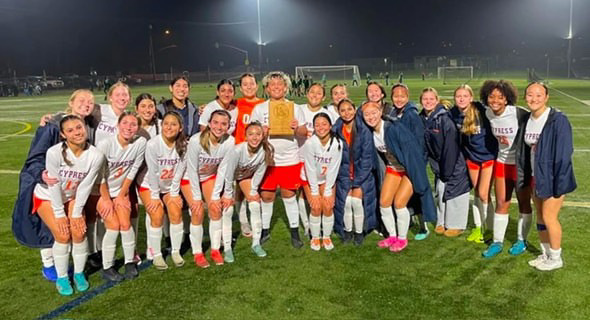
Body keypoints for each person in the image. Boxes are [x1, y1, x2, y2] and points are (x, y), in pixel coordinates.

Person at [12, 90, 98, 283]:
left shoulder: (89, 125)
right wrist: (42, 174)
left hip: (71, 187)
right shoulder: (53, 126)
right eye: (82, 100)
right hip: (47, 186)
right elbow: (35, 157)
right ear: (71, 102)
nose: (86, 104)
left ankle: (73, 267)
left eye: (90, 102)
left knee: (75, 228)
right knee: (52, 227)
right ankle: (49, 265)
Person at [32, 115, 104, 295]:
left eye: (79, 127)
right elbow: (53, 184)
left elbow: (85, 186)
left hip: (72, 197)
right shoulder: (54, 153)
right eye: (70, 130)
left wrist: (76, 212)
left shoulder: (96, 155)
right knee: (63, 235)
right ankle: (62, 277)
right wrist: (59, 214)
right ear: (63, 135)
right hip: (48, 196)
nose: (77, 132)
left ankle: (79, 273)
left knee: (79, 231)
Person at [516, 82, 576, 271]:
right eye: (530, 95)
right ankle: (546, 253)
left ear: (546, 97)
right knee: (541, 217)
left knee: (550, 217)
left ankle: (556, 257)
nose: (534, 99)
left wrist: (559, 182)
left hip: (553, 178)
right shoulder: (527, 119)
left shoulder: (557, 119)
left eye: (538, 95)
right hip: (536, 176)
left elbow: (565, 152)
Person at [362, 101, 435, 252]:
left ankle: (402, 238)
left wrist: (417, 175)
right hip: (393, 168)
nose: (371, 117)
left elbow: (412, 151)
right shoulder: (370, 132)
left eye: (373, 112)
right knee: (384, 202)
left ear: (380, 112)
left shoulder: (394, 128)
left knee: (399, 203)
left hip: (409, 168)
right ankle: (392, 236)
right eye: (366, 114)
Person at [250, 71, 307, 248]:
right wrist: (261, 133)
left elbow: (304, 133)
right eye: (272, 84)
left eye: (280, 84)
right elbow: (250, 134)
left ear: (286, 87)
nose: (276, 87)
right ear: (266, 89)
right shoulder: (259, 109)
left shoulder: (294, 107)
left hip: (290, 159)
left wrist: (296, 128)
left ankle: (295, 232)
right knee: (266, 196)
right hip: (267, 160)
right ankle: (265, 230)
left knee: (289, 195)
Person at [481, 80, 533, 258]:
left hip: (521, 166)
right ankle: (497, 242)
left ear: (507, 100)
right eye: (491, 96)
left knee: (524, 203)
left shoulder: (519, 113)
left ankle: (521, 240)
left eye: (500, 97)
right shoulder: (487, 113)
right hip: (502, 163)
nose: (495, 100)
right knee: (502, 203)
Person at [94, 112, 146, 281]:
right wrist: (107, 199)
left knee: (125, 224)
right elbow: (98, 175)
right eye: (125, 123)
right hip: (99, 191)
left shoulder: (140, 143)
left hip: (119, 191)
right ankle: (107, 266)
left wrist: (122, 195)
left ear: (138, 128)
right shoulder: (105, 144)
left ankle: (129, 261)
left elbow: (133, 170)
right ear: (118, 125)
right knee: (114, 226)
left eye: (133, 124)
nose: (128, 127)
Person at [182, 110, 235, 267]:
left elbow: (222, 170)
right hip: (189, 178)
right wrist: (197, 198)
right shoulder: (195, 140)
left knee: (215, 208)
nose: (219, 127)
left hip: (208, 177)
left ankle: (215, 249)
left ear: (228, 126)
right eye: (216, 122)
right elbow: (191, 169)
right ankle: (197, 252)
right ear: (210, 124)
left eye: (223, 124)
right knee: (197, 212)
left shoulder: (229, 142)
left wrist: (216, 196)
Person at [215, 121, 273, 257]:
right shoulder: (237, 150)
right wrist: (228, 194)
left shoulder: (265, 151)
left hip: (244, 176)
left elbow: (259, 173)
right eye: (251, 134)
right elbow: (228, 173)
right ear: (245, 136)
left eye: (258, 134)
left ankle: (256, 243)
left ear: (263, 136)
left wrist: (253, 191)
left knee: (254, 204)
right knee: (227, 209)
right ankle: (228, 248)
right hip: (225, 176)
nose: (255, 137)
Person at [419, 88, 471, 238]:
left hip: (453, 161)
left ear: (437, 100)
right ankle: (442, 221)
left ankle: (457, 224)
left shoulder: (444, 119)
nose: (428, 102)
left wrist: (446, 170)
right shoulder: (423, 118)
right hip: (439, 163)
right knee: (441, 191)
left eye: (431, 99)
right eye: (425, 99)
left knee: (456, 192)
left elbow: (451, 147)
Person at [450, 85, 498, 243]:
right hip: (472, 159)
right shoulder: (454, 114)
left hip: (488, 157)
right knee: (477, 193)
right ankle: (478, 228)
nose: (462, 99)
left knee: (484, 194)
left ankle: (489, 228)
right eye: (458, 96)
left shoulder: (481, 110)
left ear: (471, 98)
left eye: (465, 96)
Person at [141, 111, 187, 270]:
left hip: (169, 186)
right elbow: (153, 172)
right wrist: (154, 196)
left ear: (180, 128)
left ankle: (175, 251)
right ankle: (156, 254)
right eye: (166, 123)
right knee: (157, 213)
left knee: (175, 211)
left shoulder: (183, 145)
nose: (169, 127)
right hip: (150, 185)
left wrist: (174, 194)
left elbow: (180, 171)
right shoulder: (153, 144)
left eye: (174, 124)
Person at [384, 83, 431, 240]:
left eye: (402, 96)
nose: (399, 99)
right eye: (396, 96)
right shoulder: (396, 113)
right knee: (407, 197)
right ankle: (410, 224)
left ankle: (424, 227)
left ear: (408, 97)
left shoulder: (411, 115)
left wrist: (418, 163)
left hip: (413, 163)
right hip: (403, 163)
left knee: (416, 194)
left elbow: (419, 142)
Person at [332, 99, 377, 245]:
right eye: (342, 110)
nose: (346, 113)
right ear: (338, 112)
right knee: (346, 202)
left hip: (361, 175)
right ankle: (348, 231)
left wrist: (357, 181)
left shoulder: (363, 129)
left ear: (354, 109)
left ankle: (359, 232)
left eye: (349, 109)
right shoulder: (336, 130)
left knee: (356, 202)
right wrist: (345, 178)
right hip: (344, 175)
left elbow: (367, 158)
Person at [303, 113, 342, 251]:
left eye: (324, 124)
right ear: (313, 127)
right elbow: (310, 168)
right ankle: (315, 237)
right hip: (309, 178)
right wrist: (314, 192)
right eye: (317, 125)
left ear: (330, 126)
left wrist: (327, 191)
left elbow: (333, 169)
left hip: (326, 179)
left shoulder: (337, 143)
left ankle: (326, 235)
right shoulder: (310, 143)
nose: (321, 128)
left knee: (327, 205)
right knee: (316, 206)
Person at [233, 73, 265, 238]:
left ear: (257, 85)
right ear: (240, 87)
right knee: (241, 187)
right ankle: (243, 218)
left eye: (251, 83)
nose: (249, 86)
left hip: (258, 151)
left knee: (254, 185)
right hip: (240, 151)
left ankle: (250, 217)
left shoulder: (263, 104)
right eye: (245, 84)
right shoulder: (236, 104)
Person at [297, 83, 328, 236]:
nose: (315, 95)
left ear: (323, 97)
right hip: (298, 158)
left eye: (319, 93)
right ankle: (308, 225)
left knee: (317, 195)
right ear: (306, 93)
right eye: (312, 92)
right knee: (303, 194)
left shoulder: (326, 113)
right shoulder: (298, 110)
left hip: (318, 161)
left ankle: (317, 223)